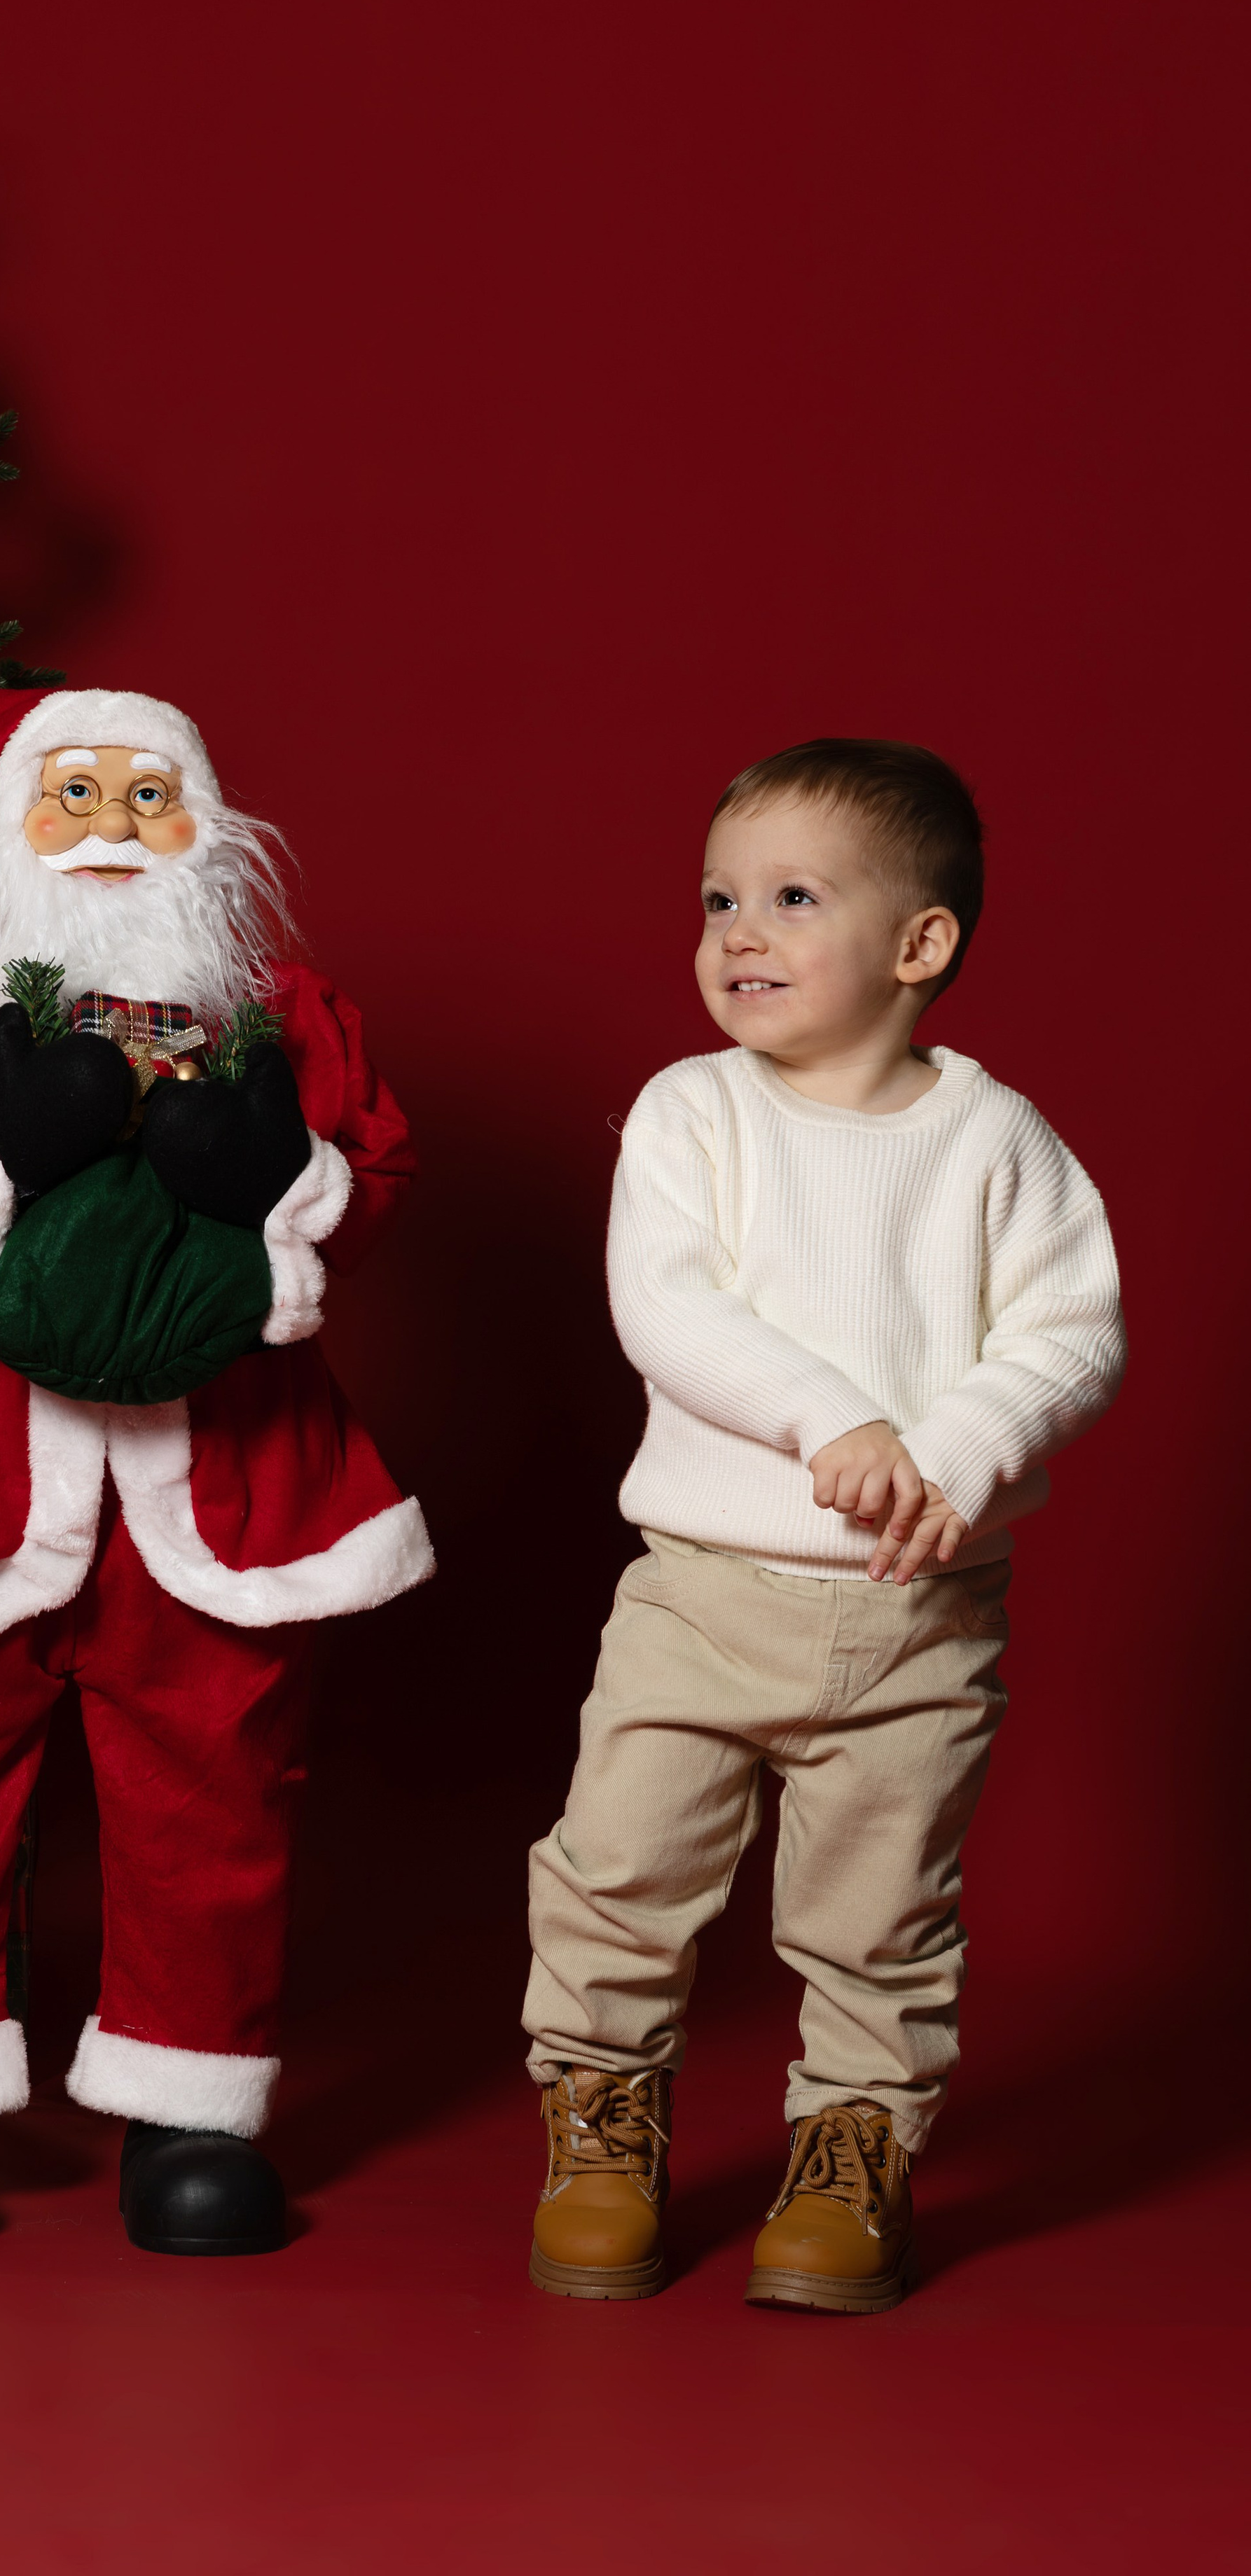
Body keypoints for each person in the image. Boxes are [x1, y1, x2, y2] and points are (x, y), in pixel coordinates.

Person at [0, 687, 432, 2255]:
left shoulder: (285, 1006)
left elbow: (377, 1168)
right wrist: (9, 1137)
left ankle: (186, 2120)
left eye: (151, 795)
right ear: (3, 830)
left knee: (215, 1791)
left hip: (220, 1476)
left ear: (208, 825)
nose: (118, 830)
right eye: (74, 795)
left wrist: (267, 1172)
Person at [522, 738, 1124, 2312]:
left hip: (913, 1613)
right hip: (701, 1593)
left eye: (791, 900)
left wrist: (947, 1450)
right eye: (718, 899)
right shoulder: (691, 1115)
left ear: (918, 946)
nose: (738, 934)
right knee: (615, 1870)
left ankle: (851, 2148)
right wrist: (831, 1423)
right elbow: (666, 1309)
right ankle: (599, 2121)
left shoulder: (992, 1143)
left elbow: (1067, 1332)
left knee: (877, 1913)